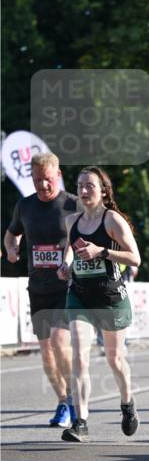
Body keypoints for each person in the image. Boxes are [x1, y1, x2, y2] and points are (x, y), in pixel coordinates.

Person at [56, 167, 141, 442]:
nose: (83, 191)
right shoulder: (72, 221)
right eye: (79, 185)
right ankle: (80, 422)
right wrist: (65, 266)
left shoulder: (112, 220)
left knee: (115, 359)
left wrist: (102, 251)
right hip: (80, 295)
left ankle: (127, 403)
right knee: (79, 356)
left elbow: (135, 258)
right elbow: (70, 250)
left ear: (103, 190)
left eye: (89, 186)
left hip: (110, 299)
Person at [4, 152, 79, 427]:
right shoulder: (25, 206)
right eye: (37, 181)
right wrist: (10, 248)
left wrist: (68, 261)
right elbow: (12, 232)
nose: (42, 186)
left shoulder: (73, 204)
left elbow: (79, 238)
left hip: (66, 286)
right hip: (37, 288)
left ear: (57, 175)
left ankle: (74, 399)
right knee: (46, 351)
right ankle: (63, 400)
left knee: (60, 342)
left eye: (47, 180)